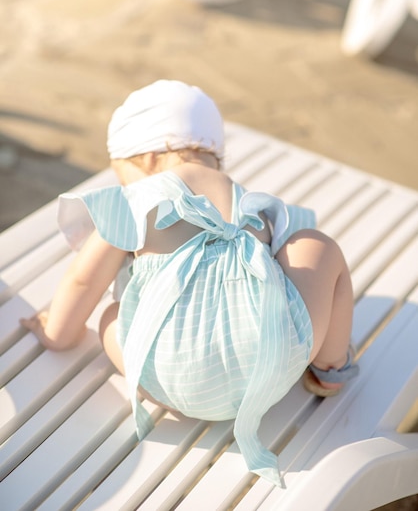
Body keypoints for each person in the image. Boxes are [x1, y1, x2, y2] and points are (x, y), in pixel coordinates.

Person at [20, 79, 358, 486]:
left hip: (170, 381)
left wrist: (56, 332)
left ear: (144, 158)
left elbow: (81, 282)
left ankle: (182, 392)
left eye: (120, 175)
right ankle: (329, 366)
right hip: (270, 371)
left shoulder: (134, 199)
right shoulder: (247, 197)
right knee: (315, 247)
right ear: (213, 154)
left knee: (111, 314)